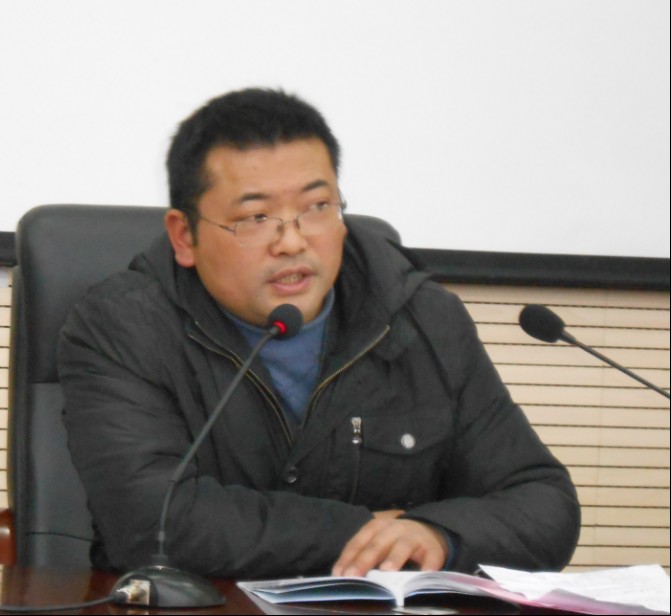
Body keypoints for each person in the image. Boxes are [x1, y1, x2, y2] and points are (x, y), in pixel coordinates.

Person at [57, 88, 580, 579]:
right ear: (184, 237)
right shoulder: (123, 327)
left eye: (316, 207)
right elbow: (151, 521)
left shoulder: (422, 318)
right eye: (256, 217)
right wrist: (364, 534)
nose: (292, 242)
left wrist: (438, 536)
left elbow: (542, 502)